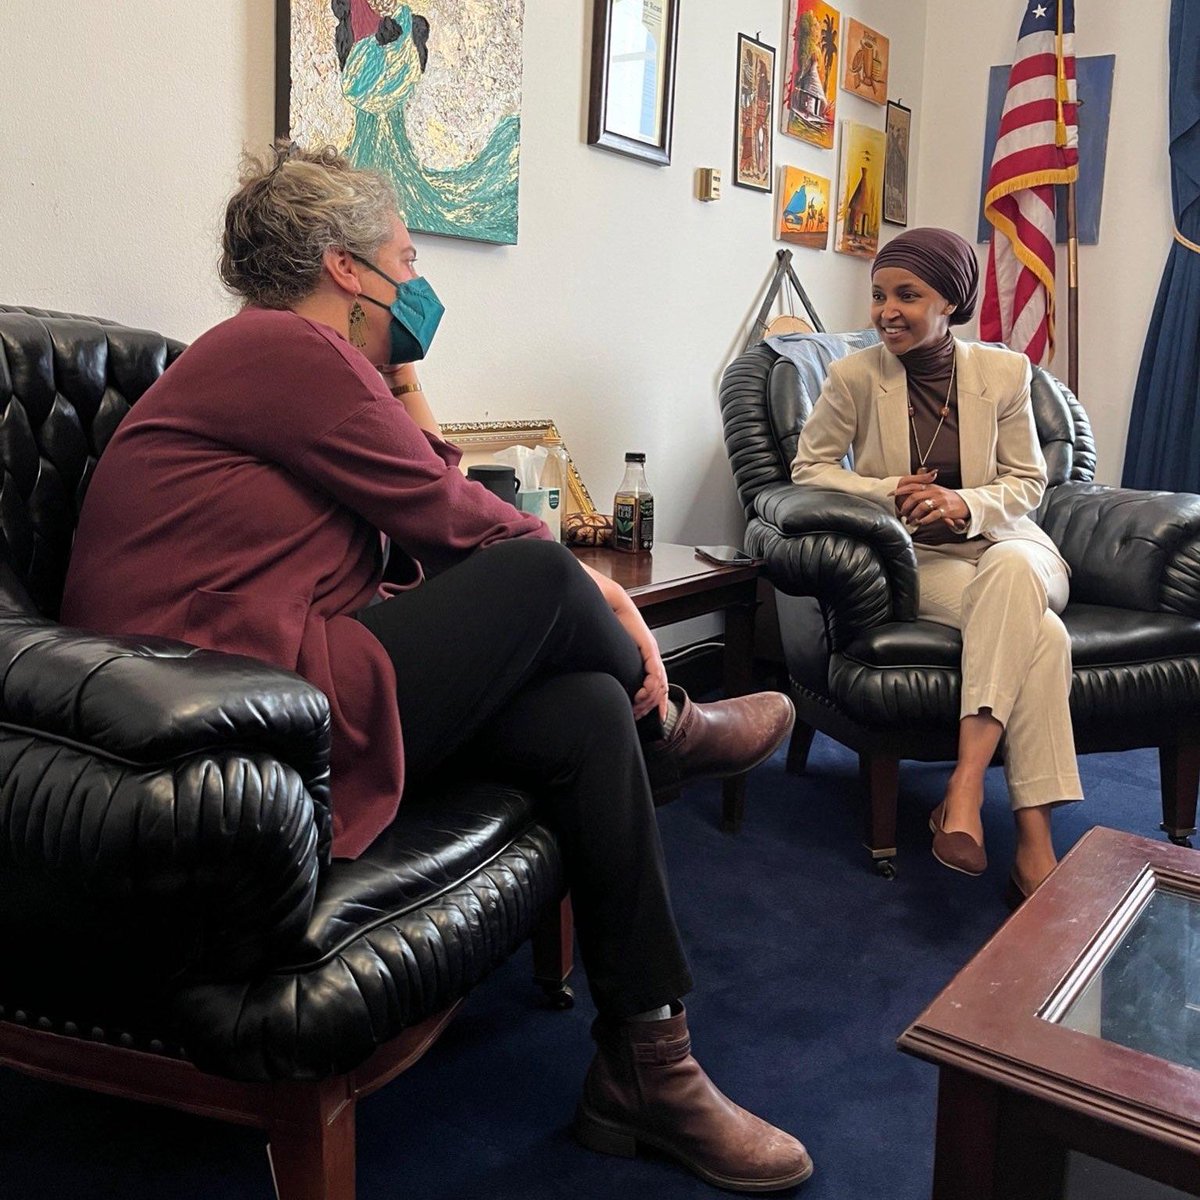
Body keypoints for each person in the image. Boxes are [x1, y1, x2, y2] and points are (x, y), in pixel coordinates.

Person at [59, 143, 812, 1193]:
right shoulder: (278, 351)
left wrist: (401, 371)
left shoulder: (301, 364)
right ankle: (676, 728)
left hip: (290, 669)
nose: (418, 281)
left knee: (590, 708)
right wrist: (603, 603)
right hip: (228, 706)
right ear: (346, 269)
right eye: (406, 258)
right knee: (551, 582)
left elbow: (425, 487)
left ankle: (650, 1067)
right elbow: (465, 524)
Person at [790, 226, 1082, 904]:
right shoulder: (853, 377)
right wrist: (888, 489)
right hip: (924, 561)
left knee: (1012, 573)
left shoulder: (1005, 373)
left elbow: (1026, 483)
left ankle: (966, 783)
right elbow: (809, 469)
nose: (886, 310)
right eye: (879, 295)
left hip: (1012, 547)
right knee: (1043, 638)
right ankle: (1034, 846)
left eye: (908, 295)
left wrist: (963, 503)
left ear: (949, 300)